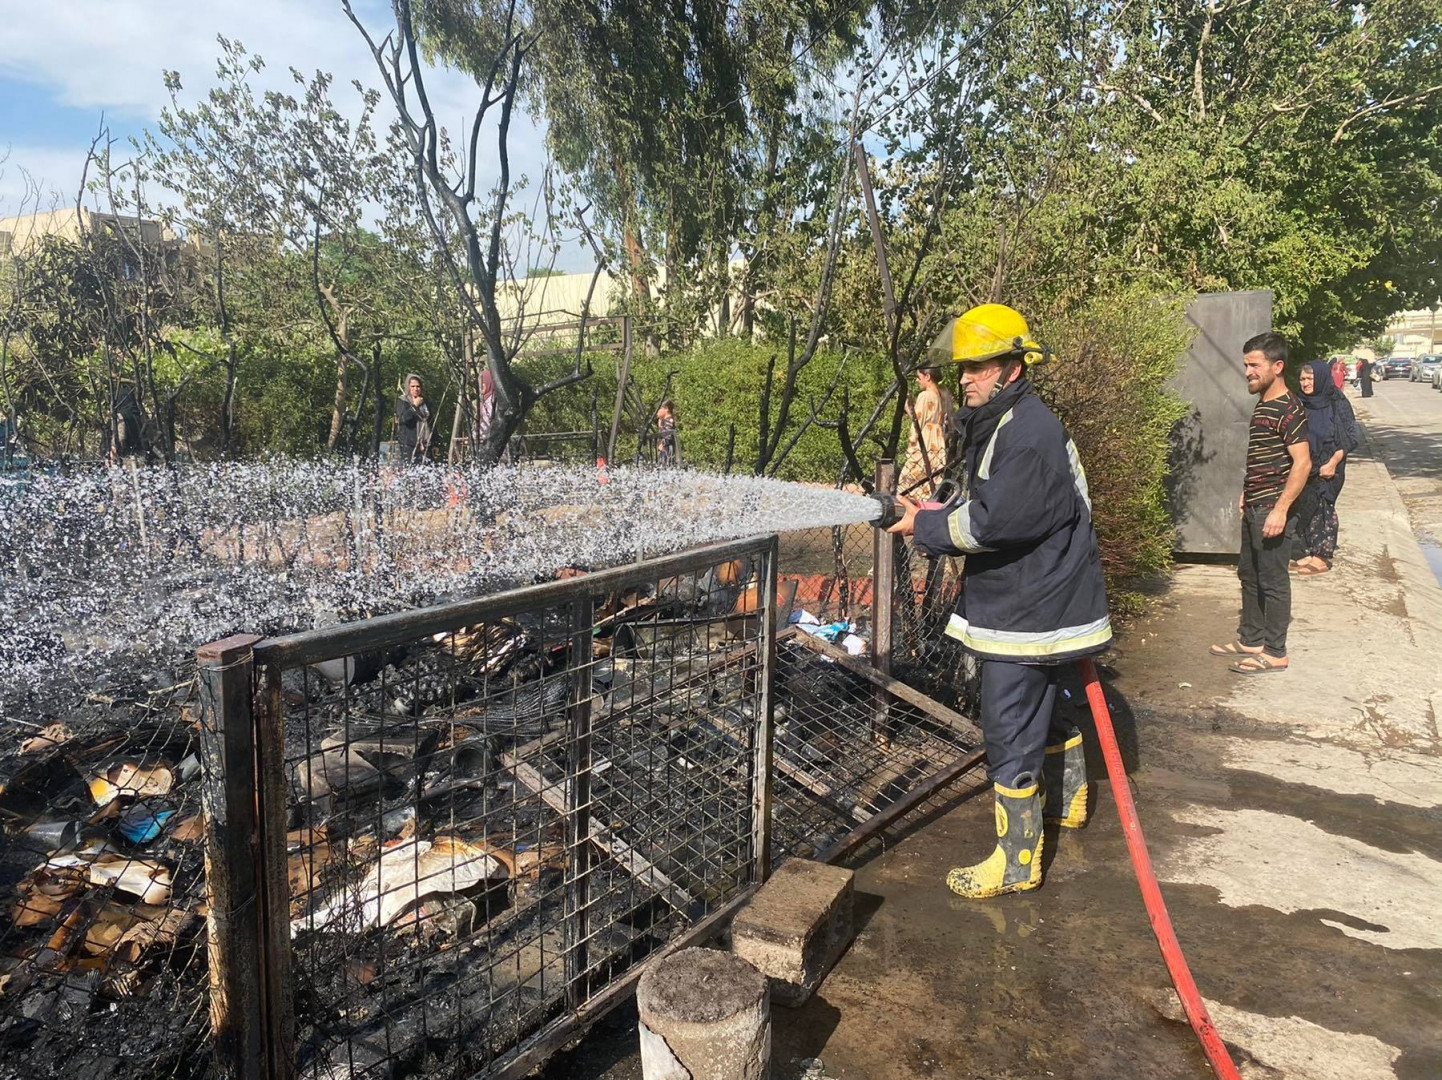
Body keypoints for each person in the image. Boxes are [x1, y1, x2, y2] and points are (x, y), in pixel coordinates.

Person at [886, 304, 1111, 899]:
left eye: (977, 367)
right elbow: (1000, 503)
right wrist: (940, 507)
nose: (965, 379)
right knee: (1053, 707)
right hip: (1047, 598)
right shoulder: (1016, 424)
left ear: (1012, 366)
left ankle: (1016, 865)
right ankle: (1067, 804)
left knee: (1010, 727)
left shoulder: (1027, 434)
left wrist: (924, 529)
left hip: (1027, 609)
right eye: (963, 368)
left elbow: (992, 526)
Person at [1209, 332, 1310, 674]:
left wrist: (1280, 509)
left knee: (1273, 580)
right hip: (1255, 503)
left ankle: (1276, 651)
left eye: (1254, 365)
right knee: (1249, 575)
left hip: (1272, 509)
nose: (1248, 371)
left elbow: (1303, 463)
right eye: (1246, 365)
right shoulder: (1265, 403)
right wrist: (1246, 492)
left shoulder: (1290, 409)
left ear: (1277, 366)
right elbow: (1265, 459)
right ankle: (1251, 638)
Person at [1292, 360, 1359, 576]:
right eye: (1302, 379)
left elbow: (1349, 437)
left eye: (1309, 379)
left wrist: (1332, 463)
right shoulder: (1299, 402)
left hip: (1331, 464)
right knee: (1305, 505)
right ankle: (1309, 551)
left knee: (1324, 507)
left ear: (1319, 378)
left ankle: (1322, 556)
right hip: (1306, 465)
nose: (1305, 383)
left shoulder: (1336, 401)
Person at [898, 366, 954, 497]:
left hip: (926, 440)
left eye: (919, 377)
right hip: (937, 441)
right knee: (929, 480)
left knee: (910, 479)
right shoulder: (940, 396)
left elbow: (918, 422)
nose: (918, 381)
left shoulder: (925, 395)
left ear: (927, 377)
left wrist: (912, 442)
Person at [395, 373, 433, 464]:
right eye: (413, 386)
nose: (415, 389)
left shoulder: (425, 402)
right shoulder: (403, 401)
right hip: (409, 444)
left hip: (425, 444)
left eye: (418, 386)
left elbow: (430, 422)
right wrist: (414, 406)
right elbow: (402, 419)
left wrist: (435, 443)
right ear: (408, 387)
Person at [655, 400, 679, 466]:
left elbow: (669, 435)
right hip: (665, 450)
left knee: (666, 466)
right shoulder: (664, 421)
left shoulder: (668, 421)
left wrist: (662, 444)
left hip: (667, 451)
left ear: (666, 409)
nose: (657, 411)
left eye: (660, 409)